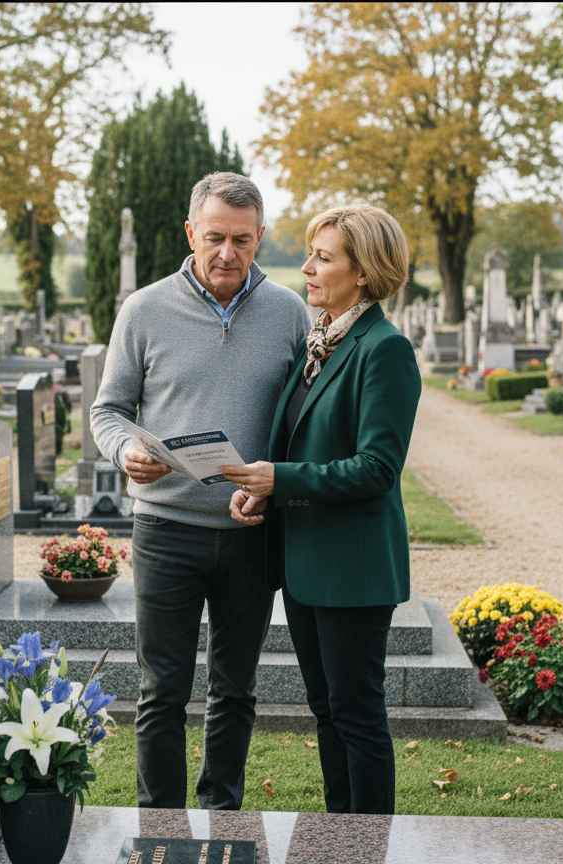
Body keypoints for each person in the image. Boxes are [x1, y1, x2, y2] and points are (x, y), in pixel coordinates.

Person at [90, 172, 312, 809]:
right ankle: (159, 822)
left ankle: (222, 816)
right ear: (191, 233)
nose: (227, 253)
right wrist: (128, 449)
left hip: (250, 532)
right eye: (215, 237)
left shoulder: (289, 312)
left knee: (235, 689)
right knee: (162, 690)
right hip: (165, 529)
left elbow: (302, 420)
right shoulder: (144, 309)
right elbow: (108, 411)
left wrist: (273, 486)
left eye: (242, 240)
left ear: (260, 237)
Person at [220, 203, 421, 815]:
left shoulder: (383, 349)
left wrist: (281, 479)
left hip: (354, 568)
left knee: (357, 716)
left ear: (363, 272)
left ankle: (371, 846)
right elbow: (301, 440)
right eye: (311, 254)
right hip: (306, 563)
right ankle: (343, 840)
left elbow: (377, 468)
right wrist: (260, 486)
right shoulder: (323, 341)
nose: (306, 268)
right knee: (328, 713)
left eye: (323, 257)